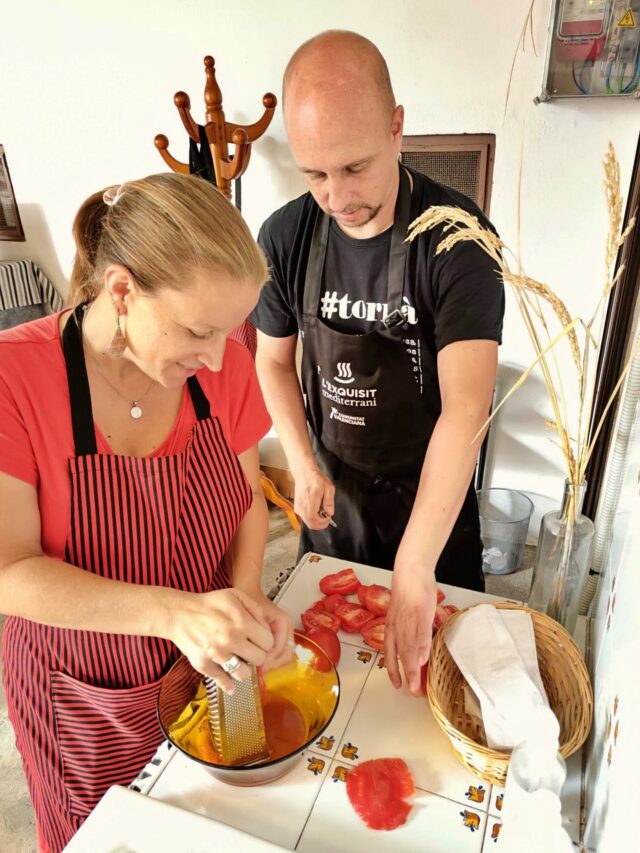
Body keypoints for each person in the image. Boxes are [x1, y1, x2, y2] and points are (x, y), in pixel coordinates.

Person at [0, 172, 292, 852]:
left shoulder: (224, 362)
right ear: (123, 290)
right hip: (80, 698)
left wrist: (244, 592)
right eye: (198, 329)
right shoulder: (15, 378)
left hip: (202, 675)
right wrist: (171, 612)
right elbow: (9, 572)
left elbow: (248, 499)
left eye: (232, 330)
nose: (220, 356)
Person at [250, 31, 504, 697]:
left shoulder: (457, 241)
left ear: (397, 129)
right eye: (315, 174)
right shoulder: (284, 235)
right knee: (333, 688)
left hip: (433, 508)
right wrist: (301, 462)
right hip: (335, 505)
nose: (336, 195)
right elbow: (273, 364)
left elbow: (467, 409)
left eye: (355, 167)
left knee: (430, 695)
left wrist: (415, 562)